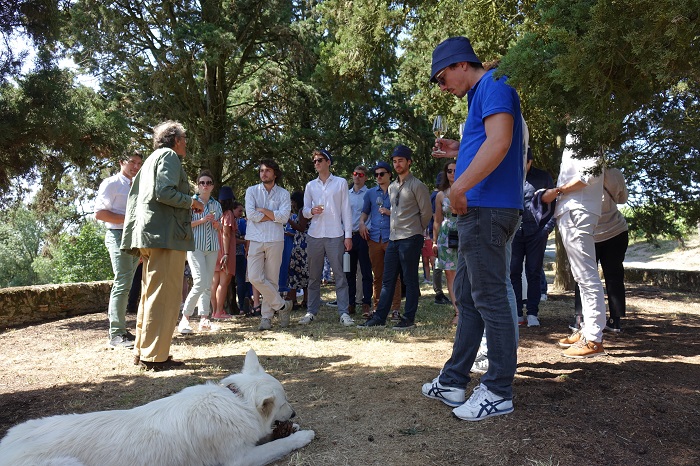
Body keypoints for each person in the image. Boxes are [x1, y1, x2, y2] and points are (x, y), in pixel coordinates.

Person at [420, 37, 523, 421]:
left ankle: (498, 390)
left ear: (461, 64)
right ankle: (453, 379)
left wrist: (458, 187)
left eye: (443, 78)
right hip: (479, 211)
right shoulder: (481, 93)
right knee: (466, 293)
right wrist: (458, 149)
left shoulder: (495, 82)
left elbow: (500, 142)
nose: (444, 87)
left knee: (490, 296)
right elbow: (486, 141)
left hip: (486, 210)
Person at [121, 120, 204, 371]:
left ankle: (143, 351)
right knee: (164, 297)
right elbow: (164, 192)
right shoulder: (168, 156)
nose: (186, 143)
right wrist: (191, 202)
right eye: (184, 139)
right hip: (165, 236)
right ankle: (155, 357)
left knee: (150, 295)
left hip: (151, 235)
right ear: (176, 140)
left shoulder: (150, 160)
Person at [542, 134, 606, 358]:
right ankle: (588, 330)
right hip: (574, 210)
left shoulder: (585, 131)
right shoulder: (579, 131)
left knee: (587, 277)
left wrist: (557, 192)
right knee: (582, 277)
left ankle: (594, 339)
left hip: (577, 211)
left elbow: (589, 174)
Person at [357, 145, 432, 330]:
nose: (398, 164)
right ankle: (380, 317)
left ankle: (408, 318)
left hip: (410, 237)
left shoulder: (418, 185)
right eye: (395, 161)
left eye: (401, 160)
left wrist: (416, 230)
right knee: (387, 279)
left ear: (409, 162)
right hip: (394, 238)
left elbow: (427, 214)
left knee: (410, 279)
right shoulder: (392, 187)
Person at [299, 149, 355, 327]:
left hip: (335, 234)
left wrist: (348, 236)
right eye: (314, 161)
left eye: (320, 160)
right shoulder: (310, 186)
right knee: (314, 277)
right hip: (315, 234)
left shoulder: (340, 183)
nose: (316, 163)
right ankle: (311, 311)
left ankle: (344, 312)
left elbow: (346, 210)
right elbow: (305, 211)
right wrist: (311, 211)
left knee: (340, 275)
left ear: (328, 162)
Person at [94, 152, 143, 348]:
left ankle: (121, 330)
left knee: (128, 284)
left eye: (139, 163)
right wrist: (127, 220)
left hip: (135, 238)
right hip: (117, 235)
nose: (136, 166)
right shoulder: (111, 183)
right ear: (121, 162)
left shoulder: (138, 185)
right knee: (122, 282)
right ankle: (115, 334)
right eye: (132, 162)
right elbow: (99, 213)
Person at [572, 167, 629, 332]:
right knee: (614, 276)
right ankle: (615, 320)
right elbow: (622, 199)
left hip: (589, 232)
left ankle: (579, 319)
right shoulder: (615, 173)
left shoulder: (578, 173)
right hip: (616, 230)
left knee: (584, 275)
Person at [245, 159, 293, 331]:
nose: (263, 173)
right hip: (255, 238)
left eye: (267, 170)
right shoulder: (251, 191)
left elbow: (284, 218)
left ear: (275, 173)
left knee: (272, 279)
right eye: (261, 170)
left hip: (275, 239)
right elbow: (250, 214)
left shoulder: (283, 194)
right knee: (254, 277)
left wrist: (264, 211)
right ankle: (282, 306)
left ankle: (266, 318)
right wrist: (273, 215)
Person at [510, 147, 555, 328]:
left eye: (525, 163)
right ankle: (517, 312)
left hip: (537, 232)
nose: (522, 166)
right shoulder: (510, 176)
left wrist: (547, 229)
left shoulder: (543, 177)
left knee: (534, 271)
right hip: (513, 231)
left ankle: (533, 312)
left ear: (531, 161)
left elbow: (554, 205)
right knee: (513, 271)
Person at [177, 170, 223, 334]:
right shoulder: (190, 202)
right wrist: (202, 220)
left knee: (207, 285)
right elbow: (185, 225)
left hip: (212, 247)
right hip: (195, 246)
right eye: (202, 182)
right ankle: (185, 318)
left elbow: (221, 227)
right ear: (198, 185)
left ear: (212, 186)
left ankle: (204, 319)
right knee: (200, 282)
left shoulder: (216, 205)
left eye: (208, 183)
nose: (205, 185)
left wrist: (218, 225)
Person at [359, 161, 403, 319]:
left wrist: (389, 212)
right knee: (377, 275)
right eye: (376, 174)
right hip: (374, 238)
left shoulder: (398, 190)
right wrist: (362, 223)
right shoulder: (370, 193)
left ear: (390, 174)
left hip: (393, 237)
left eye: (382, 174)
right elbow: (364, 213)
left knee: (394, 275)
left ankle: (395, 309)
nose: (378, 177)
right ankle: (377, 308)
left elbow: (405, 213)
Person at [432, 161, 460, 325]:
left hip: (465, 231)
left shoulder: (469, 189)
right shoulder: (440, 195)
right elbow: (437, 219)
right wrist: (434, 241)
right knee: (450, 273)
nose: (452, 173)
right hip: (446, 235)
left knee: (468, 273)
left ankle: (471, 310)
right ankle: (457, 312)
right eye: (449, 170)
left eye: (455, 170)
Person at [346, 165, 373, 316]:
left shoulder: (370, 194)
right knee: (348, 271)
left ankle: (366, 303)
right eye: (355, 173)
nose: (357, 176)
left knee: (366, 272)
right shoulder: (346, 194)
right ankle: (350, 303)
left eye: (361, 174)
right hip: (349, 236)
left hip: (364, 237)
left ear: (365, 177)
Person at [210, 188, 241, 319]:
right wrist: (227, 253)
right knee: (224, 282)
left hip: (214, 249)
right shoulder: (228, 214)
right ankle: (219, 311)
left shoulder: (215, 212)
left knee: (214, 282)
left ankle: (214, 311)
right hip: (224, 250)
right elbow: (227, 233)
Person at [286, 191, 310, 309]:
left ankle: (295, 299)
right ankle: (305, 299)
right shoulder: (306, 210)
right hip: (304, 243)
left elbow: (301, 227)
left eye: (293, 201)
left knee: (296, 272)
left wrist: (288, 220)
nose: (292, 204)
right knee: (304, 272)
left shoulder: (302, 211)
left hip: (301, 245)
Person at [431, 172, 451, 305]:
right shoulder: (437, 195)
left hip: (453, 231)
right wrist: (434, 239)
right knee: (439, 266)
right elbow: (435, 217)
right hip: (441, 232)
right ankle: (439, 293)